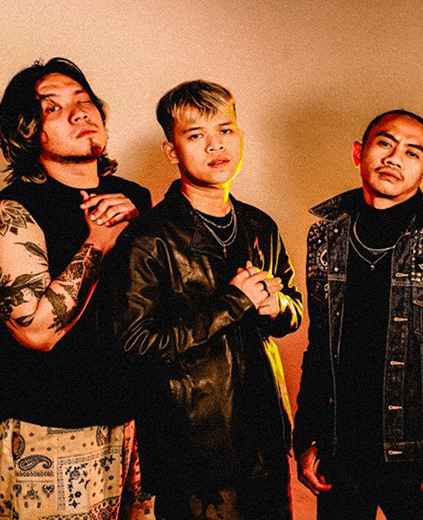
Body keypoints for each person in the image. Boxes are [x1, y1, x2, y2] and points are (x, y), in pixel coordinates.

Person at [104, 80, 303, 519]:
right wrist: (233, 303)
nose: (216, 145)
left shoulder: (258, 225)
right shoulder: (149, 239)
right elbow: (135, 345)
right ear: (172, 151)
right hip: (194, 450)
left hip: (265, 441)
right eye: (196, 135)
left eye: (225, 130)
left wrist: (278, 308)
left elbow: (292, 306)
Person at [0, 57, 151, 518]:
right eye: (53, 108)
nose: (79, 113)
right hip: (53, 428)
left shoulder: (133, 198)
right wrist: (98, 242)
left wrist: (143, 231)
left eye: (83, 99)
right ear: (28, 131)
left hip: (137, 419)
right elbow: (35, 331)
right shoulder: (10, 211)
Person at [294, 109, 423, 519]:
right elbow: (320, 344)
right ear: (358, 153)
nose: (395, 157)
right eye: (385, 143)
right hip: (342, 454)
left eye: (413, 152)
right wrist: (306, 437)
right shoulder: (325, 235)